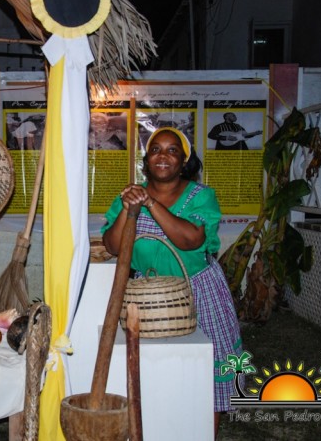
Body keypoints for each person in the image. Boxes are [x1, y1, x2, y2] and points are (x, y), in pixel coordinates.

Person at [101, 127, 242, 438]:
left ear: (184, 161)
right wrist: (129, 208)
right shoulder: (128, 196)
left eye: (172, 150)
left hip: (197, 289)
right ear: (146, 160)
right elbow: (112, 246)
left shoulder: (200, 196)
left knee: (207, 364)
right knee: (154, 366)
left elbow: (191, 239)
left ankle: (205, 433)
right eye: (155, 150)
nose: (163, 155)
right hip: (146, 296)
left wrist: (151, 204)